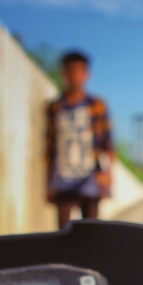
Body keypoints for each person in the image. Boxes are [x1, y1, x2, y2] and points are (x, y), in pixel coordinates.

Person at [45, 50, 114, 228]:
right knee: (63, 234)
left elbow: (108, 142)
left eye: (79, 71)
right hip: (62, 179)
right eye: (70, 71)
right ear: (63, 74)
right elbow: (49, 147)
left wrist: (108, 176)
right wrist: (47, 183)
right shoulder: (54, 108)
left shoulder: (97, 106)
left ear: (86, 74)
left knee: (92, 233)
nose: (74, 76)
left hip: (90, 179)